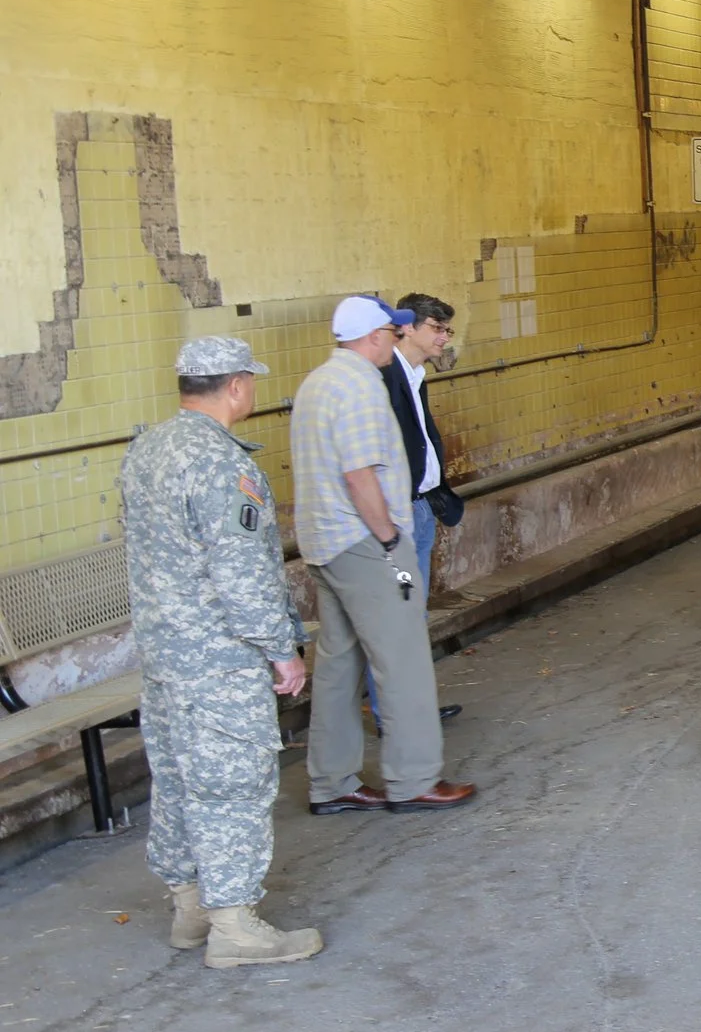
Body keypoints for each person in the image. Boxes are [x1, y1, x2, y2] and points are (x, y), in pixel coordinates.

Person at [119, 337, 322, 967]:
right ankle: (234, 927)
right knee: (231, 784)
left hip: (163, 658)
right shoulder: (221, 465)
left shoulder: (146, 450)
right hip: (218, 660)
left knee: (179, 780)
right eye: (250, 382)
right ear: (236, 386)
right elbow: (241, 573)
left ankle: (189, 912)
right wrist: (281, 650)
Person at [294, 296, 477, 816]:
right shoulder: (358, 388)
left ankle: (331, 782)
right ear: (373, 336)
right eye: (393, 333)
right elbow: (360, 475)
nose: (397, 340)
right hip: (367, 547)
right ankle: (414, 779)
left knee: (338, 664)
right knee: (404, 657)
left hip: (326, 547)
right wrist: (392, 540)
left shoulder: (317, 383)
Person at [374, 292, 462, 724]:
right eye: (437, 328)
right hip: (397, 518)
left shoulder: (415, 375)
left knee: (413, 611)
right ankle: (396, 713)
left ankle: (410, 705)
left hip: (420, 508)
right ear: (407, 327)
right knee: (399, 612)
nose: (444, 337)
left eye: (447, 329)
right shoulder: (384, 377)